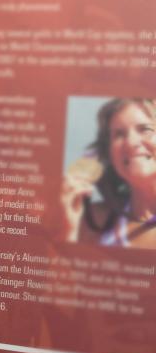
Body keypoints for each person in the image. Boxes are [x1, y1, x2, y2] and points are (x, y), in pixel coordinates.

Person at [60, 98, 156, 249]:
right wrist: (68, 231)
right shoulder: (94, 219)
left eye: (145, 129)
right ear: (109, 153)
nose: (131, 142)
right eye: (118, 134)